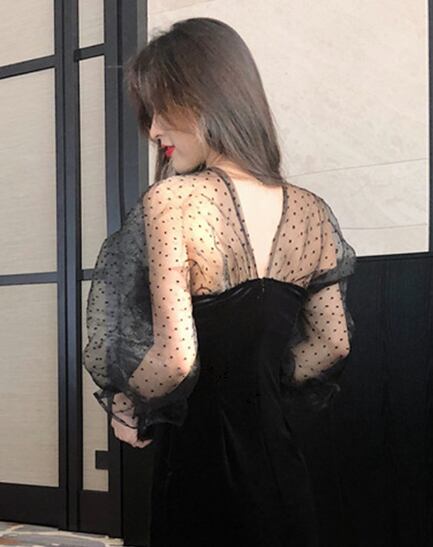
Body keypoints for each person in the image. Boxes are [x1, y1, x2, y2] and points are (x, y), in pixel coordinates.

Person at [83, 17, 356, 547]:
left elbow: (176, 359)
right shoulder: (312, 212)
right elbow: (333, 343)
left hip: (200, 470)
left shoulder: (174, 200)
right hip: (280, 468)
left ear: (205, 98)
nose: (153, 131)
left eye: (161, 109)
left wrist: (126, 403)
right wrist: (260, 383)